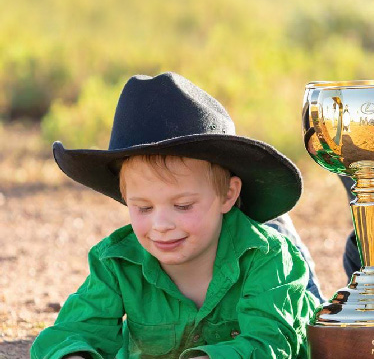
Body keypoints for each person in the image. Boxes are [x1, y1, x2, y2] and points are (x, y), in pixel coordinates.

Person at [30, 72, 320, 359]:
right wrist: (74, 355)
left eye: (182, 206)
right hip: (221, 225)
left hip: (288, 289)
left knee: (286, 254)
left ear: (228, 194)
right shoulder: (116, 262)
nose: (161, 225)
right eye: (143, 208)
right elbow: (73, 331)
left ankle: (274, 225)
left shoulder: (268, 258)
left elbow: (270, 343)